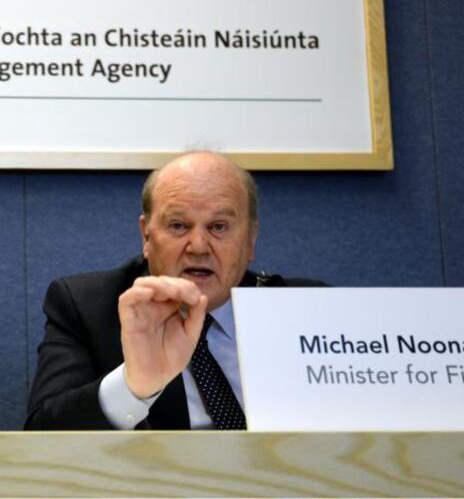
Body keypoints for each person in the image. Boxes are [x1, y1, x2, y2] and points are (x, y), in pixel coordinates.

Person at [25, 151, 323, 430]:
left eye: (219, 227)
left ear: (250, 240)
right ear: (146, 236)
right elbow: (43, 435)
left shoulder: (308, 309)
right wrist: (134, 387)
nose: (198, 247)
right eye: (179, 226)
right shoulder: (89, 306)